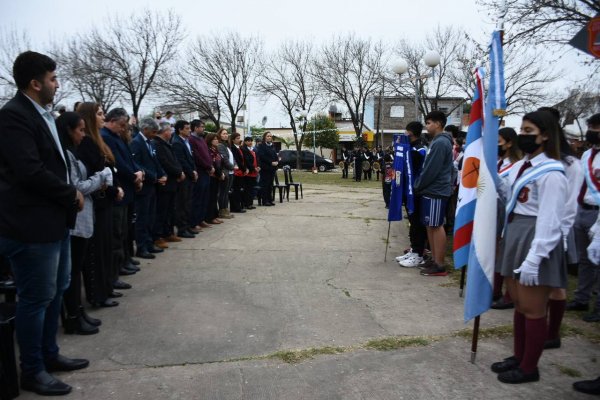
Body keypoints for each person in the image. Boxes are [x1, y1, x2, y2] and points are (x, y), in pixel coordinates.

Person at [0, 51, 87, 396]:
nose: (57, 83)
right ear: (35, 83)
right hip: (32, 225)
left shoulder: (45, 114)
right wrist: (71, 194)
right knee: (36, 297)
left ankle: (50, 354)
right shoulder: (13, 117)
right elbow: (29, 171)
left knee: (56, 289)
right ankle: (32, 369)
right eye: (52, 78)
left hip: (54, 221)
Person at [491, 110, 567, 384]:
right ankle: (519, 355)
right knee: (520, 306)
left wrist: (536, 258)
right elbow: (512, 196)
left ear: (545, 135)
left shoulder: (552, 173)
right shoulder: (523, 166)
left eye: (528, 131)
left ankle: (529, 367)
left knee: (533, 308)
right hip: (515, 233)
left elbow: (550, 220)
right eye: (521, 130)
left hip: (535, 238)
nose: (522, 135)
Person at [57, 112, 111, 335]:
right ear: (69, 130)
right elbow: (77, 186)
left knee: (77, 268)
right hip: (76, 222)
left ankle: (78, 312)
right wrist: (101, 177)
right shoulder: (67, 155)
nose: (82, 134)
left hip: (84, 217)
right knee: (73, 271)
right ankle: (72, 316)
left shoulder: (74, 152)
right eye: (79, 130)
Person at [76, 103, 127, 308]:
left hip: (106, 199)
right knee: (97, 251)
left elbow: (109, 169)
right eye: (99, 114)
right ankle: (98, 294)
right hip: (98, 201)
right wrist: (114, 189)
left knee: (106, 247)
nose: (102, 117)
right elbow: (96, 172)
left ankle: (106, 287)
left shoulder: (97, 140)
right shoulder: (87, 142)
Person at [567, 113, 600, 322]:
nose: (591, 131)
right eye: (591, 127)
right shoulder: (587, 154)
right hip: (583, 209)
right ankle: (581, 298)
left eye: (596, 127)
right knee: (585, 259)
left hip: (598, 213)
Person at [413, 111, 453, 276]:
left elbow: (431, 170)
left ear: (438, 124)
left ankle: (440, 264)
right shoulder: (435, 142)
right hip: (430, 190)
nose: (426, 126)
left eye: (429, 123)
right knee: (430, 225)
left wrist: (418, 185)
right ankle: (434, 259)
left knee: (436, 226)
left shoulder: (441, 143)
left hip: (436, 190)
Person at [492, 127, 523, 310]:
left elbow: (508, 192)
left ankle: (509, 294)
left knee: (505, 250)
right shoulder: (499, 162)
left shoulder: (516, 165)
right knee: (495, 249)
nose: (497, 145)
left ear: (510, 142)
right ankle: (495, 289)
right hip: (493, 206)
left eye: (499, 142)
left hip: (507, 209)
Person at [130, 118, 167, 257]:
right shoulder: (136, 143)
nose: (155, 134)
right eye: (153, 131)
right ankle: (141, 246)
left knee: (151, 216)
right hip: (144, 186)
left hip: (152, 186)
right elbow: (136, 164)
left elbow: (155, 161)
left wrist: (162, 174)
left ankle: (149, 243)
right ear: (145, 129)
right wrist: (154, 176)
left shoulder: (149, 143)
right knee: (142, 218)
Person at [397, 121, 428, 268]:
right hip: (409, 190)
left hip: (416, 190)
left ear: (411, 133)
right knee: (412, 221)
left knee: (417, 223)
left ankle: (418, 253)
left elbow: (410, 168)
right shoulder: (411, 148)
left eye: (406, 132)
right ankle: (414, 249)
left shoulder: (418, 150)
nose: (404, 134)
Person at [153, 122, 185, 246]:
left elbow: (174, 160)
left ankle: (168, 232)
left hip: (173, 182)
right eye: (169, 130)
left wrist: (179, 172)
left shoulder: (166, 144)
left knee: (170, 210)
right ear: (164, 131)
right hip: (165, 182)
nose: (171, 133)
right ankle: (158, 235)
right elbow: (165, 163)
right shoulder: (157, 144)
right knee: (162, 211)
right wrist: (178, 172)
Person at [171, 119, 198, 237]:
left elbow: (191, 158)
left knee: (188, 203)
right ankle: (182, 228)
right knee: (182, 204)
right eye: (186, 128)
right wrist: (191, 172)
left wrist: (194, 171)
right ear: (179, 130)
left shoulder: (186, 141)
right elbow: (181, 161)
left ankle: (187, 226)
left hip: (190, 175)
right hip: (184, 177)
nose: (189, 130)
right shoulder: (177, 142)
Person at [189, 120, 215, 228]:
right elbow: (197, 157)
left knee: (205, 197)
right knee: (198, 198)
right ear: (195, 128)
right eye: (202, 126)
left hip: (207, 171)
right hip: (200, 171)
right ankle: (194, 222)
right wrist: (208, 166)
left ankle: (201, 219)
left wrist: (211, 166)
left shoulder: (202, 139)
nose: (203, 128)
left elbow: (207, 154)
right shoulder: (191, 140)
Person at [256, 131, 279, 206]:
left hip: (272, 169)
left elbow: (275, 155)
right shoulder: (261, 146)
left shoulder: (272, 145)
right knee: (265, 185)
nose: (269, 137)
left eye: (270, 136)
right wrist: (271, 162)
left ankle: (270, 199)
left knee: (270, 184)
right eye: (268, 136)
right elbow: (262, 156)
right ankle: (264, 201)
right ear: (264, 137)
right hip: (265, 168)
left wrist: (277, 161)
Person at [216, 128, 235, 218]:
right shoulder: (220, 145)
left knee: (226, 192)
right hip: (225, 171)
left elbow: (231, 158)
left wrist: (234, 165)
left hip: (230, 172)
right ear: (219, 135)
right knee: (222, 192)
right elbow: (225, 160)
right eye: (223, 134)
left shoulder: (227, 145)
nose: (225, 135)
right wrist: (233, 167)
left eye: (226, 134)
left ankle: (225, 210)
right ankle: (222, 211)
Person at [206, 133, 224, 224]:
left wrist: (221, 173)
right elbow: (213, 164)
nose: (217, 141)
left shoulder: (216, 150)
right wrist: (220, 174)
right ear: (210, 140)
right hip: (212, 176)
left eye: (217, 139)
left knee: (215, 197)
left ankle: (214, 216)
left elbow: (220, 163)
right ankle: (210, 217)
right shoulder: (209, 150)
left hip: (217, 176)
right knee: (211, 197)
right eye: (214, 139)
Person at [229, 132, 246, 213]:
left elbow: (243, 159)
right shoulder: (233, 148)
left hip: (241, 171)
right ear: (233, 140)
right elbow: (238, 161)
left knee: (239, 190)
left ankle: (238, 206)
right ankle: (235, 207)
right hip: (236, 171)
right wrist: (244, 169)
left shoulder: (239, 148)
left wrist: (245, 168)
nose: (239, 140)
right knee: (235, 190)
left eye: (239, 138)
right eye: (237, 138)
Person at [242, 136, 259, 209]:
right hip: (249, 171)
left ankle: (250, 203)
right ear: (245, 142)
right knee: (247, 189)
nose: (250, 142)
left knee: (252, 188)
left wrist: (258, 166)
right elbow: (247, 161)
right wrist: (253, 168)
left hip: (254, 171)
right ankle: (247, 204)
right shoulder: (244, 149)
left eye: (251, 141)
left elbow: (257, 159)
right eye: (248, 141)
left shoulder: (253, 150)